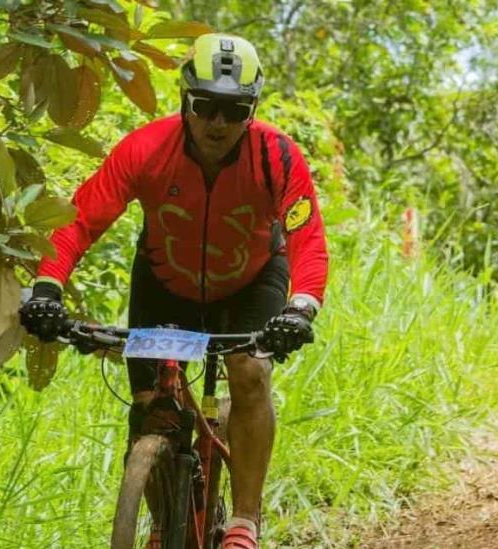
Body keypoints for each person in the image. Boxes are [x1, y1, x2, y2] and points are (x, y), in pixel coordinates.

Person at [19, 33, 328, 549]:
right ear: (186, 99)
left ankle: (244, 523)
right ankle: (167, 518)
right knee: (152, 405)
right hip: (165, 281)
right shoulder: (146, 149)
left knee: (250, 373)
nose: (218, 123)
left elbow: (308, 238)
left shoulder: (277, 154)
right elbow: (79, 220)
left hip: (251, 280)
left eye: (235, 110)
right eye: (206, 106)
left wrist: (301, 307)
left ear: (252, 109)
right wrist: (47, 288)